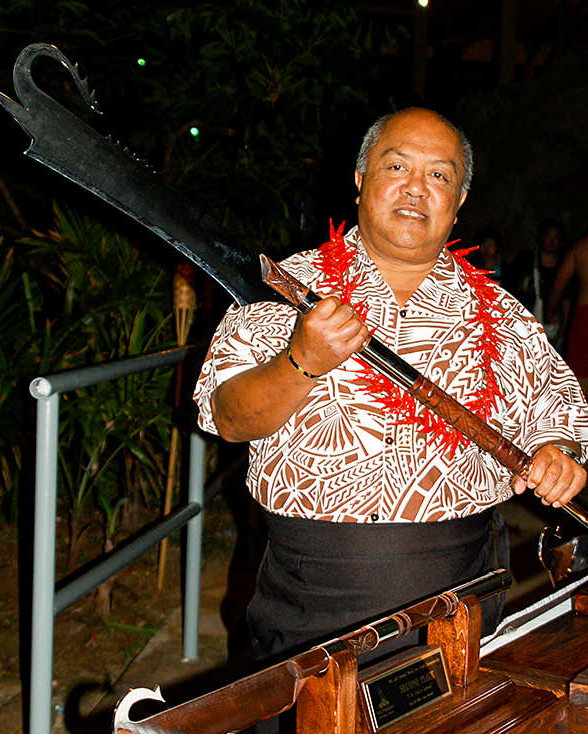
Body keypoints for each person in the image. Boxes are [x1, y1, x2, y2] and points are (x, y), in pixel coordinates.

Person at [194, 108, 588, 669]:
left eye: (440, 175)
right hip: (311, 595)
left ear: (460, 200)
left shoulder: (502, 316)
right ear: (359, 180)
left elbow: (562, 416)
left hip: (460, 595)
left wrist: (562, 457)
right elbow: (227, 418)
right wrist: (300, 361)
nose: (417, 189)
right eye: (397, 166)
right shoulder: (282, 291)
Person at [509, 218, 565, 347]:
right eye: (548, 236)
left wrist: (564, 324)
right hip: (525, 324)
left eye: (556, 237)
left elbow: (567, 296)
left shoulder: (564, 263)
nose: (552, 241)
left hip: (555, 325)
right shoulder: (524, 261)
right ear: (540, 237)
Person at [546, 233, 588, 398]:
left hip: (584, 317)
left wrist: (550, 312)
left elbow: (558, 286)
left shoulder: (580, 247)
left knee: (579, 385)